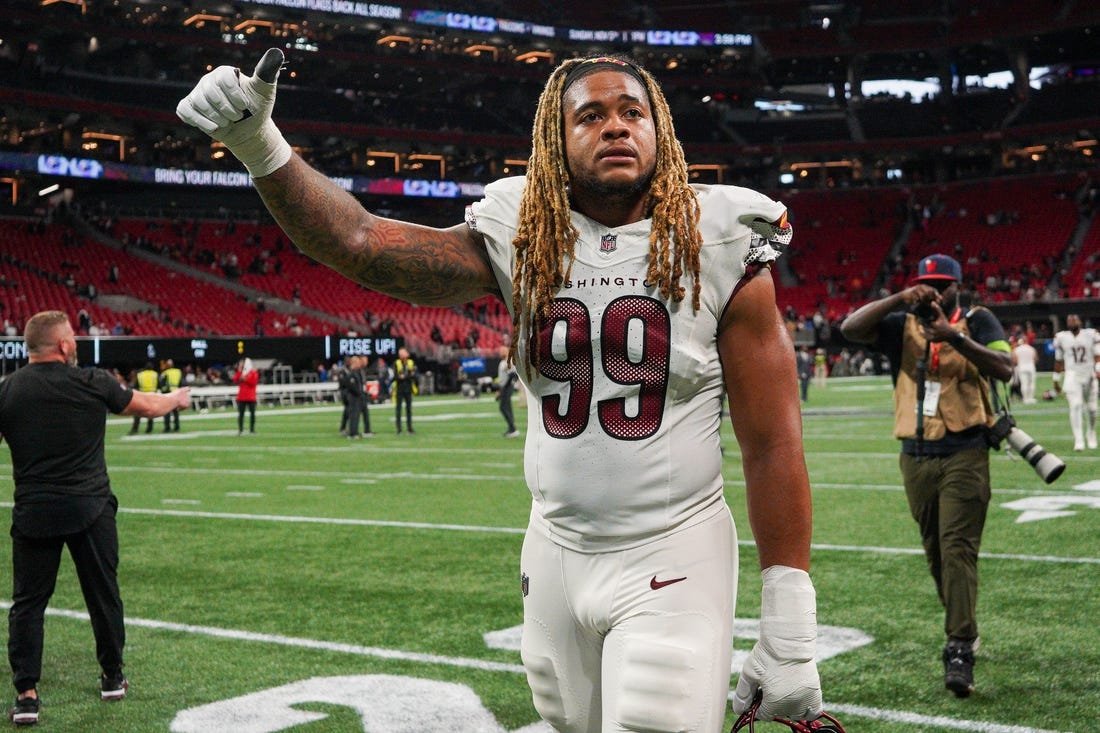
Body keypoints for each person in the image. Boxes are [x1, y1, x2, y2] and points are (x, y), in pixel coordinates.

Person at [178, 49, 826, 730]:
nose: (616, 127)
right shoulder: (520, 231)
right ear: (557, 137)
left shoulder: (720, 238)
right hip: (554, 546)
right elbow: (359, 240)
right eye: (592, 115)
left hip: (675, 546)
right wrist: (258, 144)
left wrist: (790, 618)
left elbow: (773, 441)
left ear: (660, 130)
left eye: (633, 112)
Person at [0, 311, 191, 725]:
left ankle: (27, 694)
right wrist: (176, 399)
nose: (77, 343)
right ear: (63, 345)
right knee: (103, 595)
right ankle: (112, 675)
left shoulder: (8, 390)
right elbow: (146, 406)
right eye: (72, 337)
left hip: (34, 511)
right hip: (90, 508)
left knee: (28, 605)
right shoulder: (91, 381)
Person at [840, 254, 1013, 699]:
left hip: (966, 451)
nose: (933, 291)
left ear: (957, 287)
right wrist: (898, 297)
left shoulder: (978, 319)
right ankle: (963, 621)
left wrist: (952, 337)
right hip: (916, 454)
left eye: (942, 284)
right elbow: (849, 329)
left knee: (957, 548)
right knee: (936, 552)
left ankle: (958, 649)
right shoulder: (901, 326)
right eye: (925, 283)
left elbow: (1005, 368)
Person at [1051, 313, 1100, 450]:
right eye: (1069, 320)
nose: (1072, 322)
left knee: (1092, 409)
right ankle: (1078, 440)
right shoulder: (1062, 337)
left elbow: (1097, 355)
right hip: (1072, 375)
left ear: (1080, 321)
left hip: (1089, 372)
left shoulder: (1091, 334)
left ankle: (1091, 432)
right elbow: (1059, 360)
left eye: (1074, 319)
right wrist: (1056, 380)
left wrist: (1098, 369)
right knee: (1075, 405)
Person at [128, 362, 159, 434]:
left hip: (142, 395)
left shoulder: (140, 375)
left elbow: (136, 386)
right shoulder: (155, 374)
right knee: (150, 413)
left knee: (138, 412)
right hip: (152, 395)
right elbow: (159, 385)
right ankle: (149, 428)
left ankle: (135, 429)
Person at [392, 347, 417, 435]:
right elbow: (395, 377)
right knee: (398, 409)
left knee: (409, 409)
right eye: (400, 353)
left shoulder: (411, 362)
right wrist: (406, 376)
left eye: (403, 353)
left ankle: (410, 428)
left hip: (408, 388)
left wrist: (404, 376)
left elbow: (413, 375)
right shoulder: (397, 363)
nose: (402, 355)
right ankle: (399, 429)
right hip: (399, 388)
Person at [496, 345, 520, 437]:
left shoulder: (508, 361)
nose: (500, 352)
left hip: (506, 387)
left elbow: (512, 375)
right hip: (505, 387)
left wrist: (504, 388)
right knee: (506, 407)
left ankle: (512, 428)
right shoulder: (504, 361)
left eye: (502, 350)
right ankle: (511, 428)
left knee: (503, 407)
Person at [232, 358, 259, 435]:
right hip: (242, 397)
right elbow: (235, 379)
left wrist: (245, 379)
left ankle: (252, 430)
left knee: (252, 414)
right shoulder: (240, 372)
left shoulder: (253, 372)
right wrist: (239, 371)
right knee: (241, 415)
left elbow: (253, 383)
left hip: (251, 397)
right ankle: (240, 430)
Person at [1010, 336, 1038, 405]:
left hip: (1022, 367)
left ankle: (1025, 398)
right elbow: (1035, 358)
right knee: (1031, 383)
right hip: (1031, 367)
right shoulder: (1031, 348)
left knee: (1024, 383)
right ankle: (1031, 398)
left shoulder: (1017, 349)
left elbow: (1014, 360)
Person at [159, 358, 183, 432]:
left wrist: (163, 393)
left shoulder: (165, 373)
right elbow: (180, 383)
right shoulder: (178, 371)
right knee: (175, 411)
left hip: (168, 393)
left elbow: (162, 384)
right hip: (176, 393)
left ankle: (167, 427)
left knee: (167, 411)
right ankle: (177, 427)